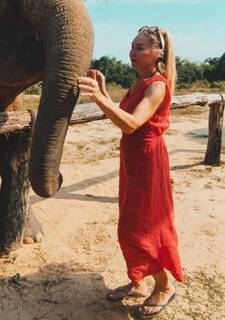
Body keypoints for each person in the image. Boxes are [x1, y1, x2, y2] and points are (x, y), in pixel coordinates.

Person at [78, 26, 183, 318]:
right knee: (129, 220)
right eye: (132, 47)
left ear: (158, 53)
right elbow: (123, 115)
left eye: (140, 48)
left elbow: (131, 124)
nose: (132, 53)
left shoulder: (157, 85)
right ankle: (138, 281)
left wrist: (99, 98)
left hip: (149, 161)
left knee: (142, 226)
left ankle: (163, 286)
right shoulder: (139, 81)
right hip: (132, 160)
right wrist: (104, 90)